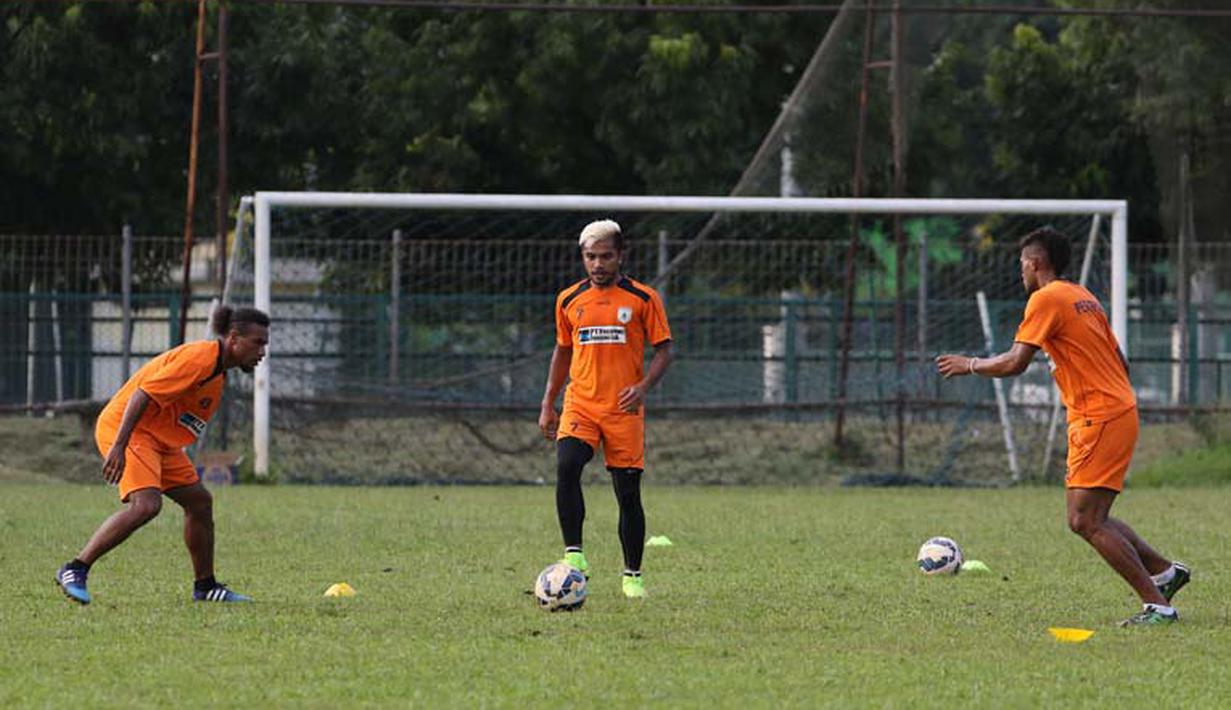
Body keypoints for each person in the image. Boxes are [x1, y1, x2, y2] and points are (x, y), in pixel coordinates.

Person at [936, 227, 1189, 627]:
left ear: (1035, 263)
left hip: (1099, 415)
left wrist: (968, 364)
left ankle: (1157, 606)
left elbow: (1015, 362)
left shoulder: (1046, 298)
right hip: (1116, 410)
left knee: (1084, 520)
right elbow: (1119, 360)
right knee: (1095, 515)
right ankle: (1165, 573)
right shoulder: (1082, 296)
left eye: (1021, 263)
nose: (1020, 271)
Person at [54, 305, 270, 605]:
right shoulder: (199, 359)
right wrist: (119, 445)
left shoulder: (217, 374)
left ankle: (205, 587)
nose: (262, 352)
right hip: (128, 429)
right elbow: (142, 394)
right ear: (234, 338)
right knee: (146, 506)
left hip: (158, 439)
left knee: (199, 502)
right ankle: (74, 569)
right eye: (258, 343)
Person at [538, 220, 674, 598]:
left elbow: (665, 349)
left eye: (605, 256)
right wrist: (549, 402)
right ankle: (574, 554)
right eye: (590, 257)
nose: (598, 264)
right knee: (567, 465)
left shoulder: (643, 299)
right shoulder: (568, 299)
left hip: (623, 410)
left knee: (627, 493)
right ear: (583, 258)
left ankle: (632, 576)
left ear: (620, 256)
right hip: (580, 402)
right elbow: (563, 350)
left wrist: (644, 387)